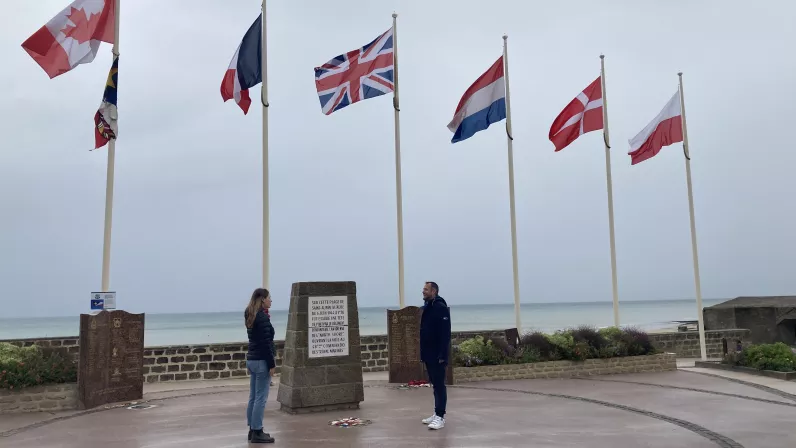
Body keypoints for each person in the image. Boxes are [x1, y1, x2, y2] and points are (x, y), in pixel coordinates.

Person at [244, 288, 276, 444]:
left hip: (252, 359)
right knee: (260, 398)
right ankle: (257, 431)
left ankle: (252, 430)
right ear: (263, 299)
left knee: (253, 397)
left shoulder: (250, 314)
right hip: (262, 360)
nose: (271, 300)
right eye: (269, 298)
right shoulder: (262, 317)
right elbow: (265, 344)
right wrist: (272, 364)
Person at [419, 281, 451, 430]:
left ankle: (440, 417)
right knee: (434, 385)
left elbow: (445, 334)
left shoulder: (440, 308)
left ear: (434, 291)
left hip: (438, 355)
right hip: (428, 354)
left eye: (426, 289)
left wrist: (443, 355)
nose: (423, 291)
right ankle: (436, 413)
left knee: (439, 386)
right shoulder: (428, 307)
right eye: (423, 289)